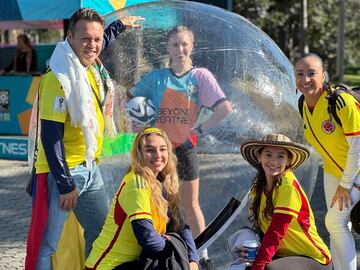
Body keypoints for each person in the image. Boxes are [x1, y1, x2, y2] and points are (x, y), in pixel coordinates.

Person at [25, 8, 144, 270]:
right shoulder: (60, 77)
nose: (92, 45)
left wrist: (118, 26)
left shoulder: (87, 66)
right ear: (69, 38)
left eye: (97, 39)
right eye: (85, 39)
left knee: (102, 233)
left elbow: (98, 42)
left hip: (89, 169)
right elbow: (51, 135)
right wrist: (66, 183)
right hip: (61, 175)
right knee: (47, 244)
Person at [128, 26, 233, 268]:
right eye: (175, 44)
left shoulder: (200, 77)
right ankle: (156, 250)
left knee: (190, 204)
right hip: (156, 152)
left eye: (184, 44)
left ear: (192, 46)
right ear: (168, 48)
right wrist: (136, 122)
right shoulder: (156, 78)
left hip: (184, 149)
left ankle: (203, 256)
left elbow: (225, 107)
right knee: (152, 201)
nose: (180, 49)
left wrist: (198, 130)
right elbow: (130, 97)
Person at [85, 127, 199, 270]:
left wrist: (193, 260)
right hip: (110, 266)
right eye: (150, 150)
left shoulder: (164, 182)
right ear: (139, 154)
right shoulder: (136, 183)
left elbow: (181, 227)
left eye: (163, 149)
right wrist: (177, 249)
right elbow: (148, 239)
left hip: (137, 263)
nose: (158, 155)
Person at [294, 53, 360, 270]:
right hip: (333, 170)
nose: (305, 80)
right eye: (300, 74)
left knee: (333, 221)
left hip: (355, 170)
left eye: (311, 73)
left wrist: (346, 184)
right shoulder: (303, 103)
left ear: (323, 75)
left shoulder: (341, 101)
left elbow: (357, 148)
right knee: (337, 226)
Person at [238, 133, 332, 270]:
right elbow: (261, 229)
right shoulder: (258, 187)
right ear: (259, 157)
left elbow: (276, 232)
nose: (273, 161)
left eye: (280, 156)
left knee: (268, 268)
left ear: (288, 161)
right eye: (268, 154)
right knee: (246, 263)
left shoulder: (288, 186)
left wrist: (258, 265)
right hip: (284, 256)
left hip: (314, 259)